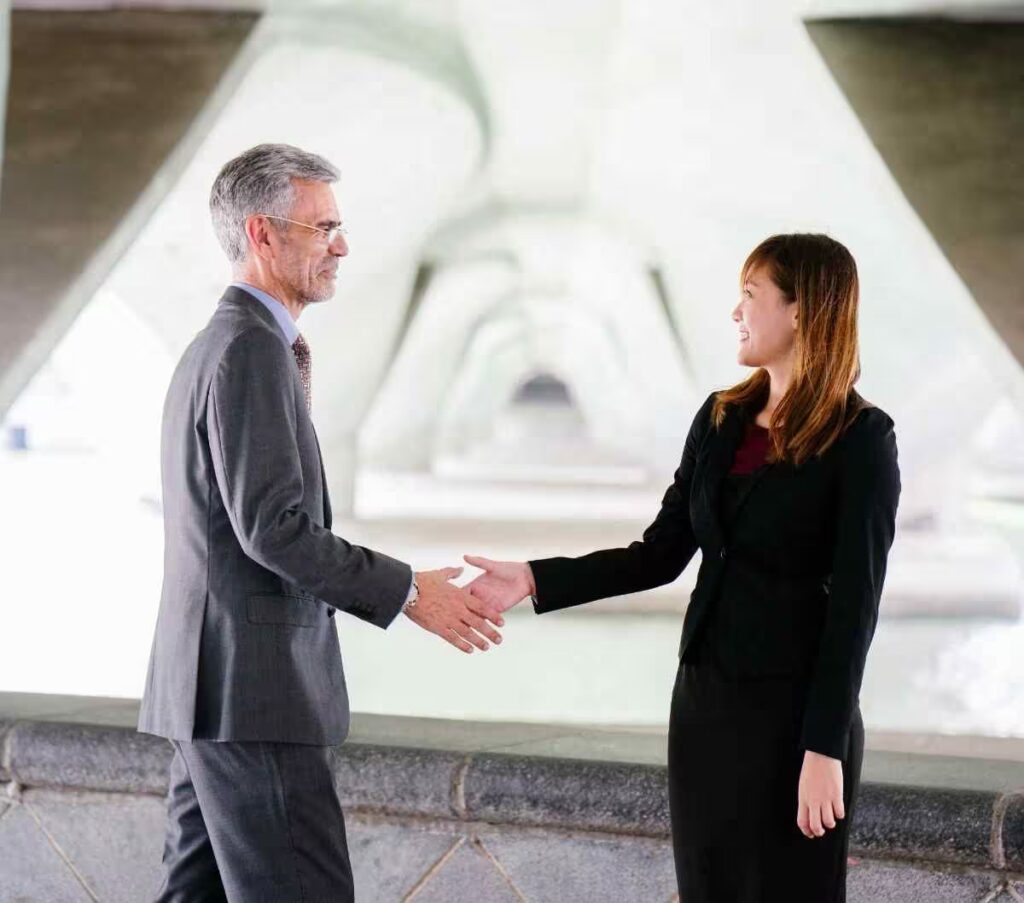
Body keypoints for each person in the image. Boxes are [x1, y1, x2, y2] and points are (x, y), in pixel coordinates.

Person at [465, 233, 901, 902]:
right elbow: (660, 554)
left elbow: (855, 607)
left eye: (750, 295)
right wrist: (533, 577)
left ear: (801, 310)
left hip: (796, 721)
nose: (736, 312)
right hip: (705, 708)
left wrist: (825, 747)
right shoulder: (721, 418)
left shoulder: (862, 438)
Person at [138, 143, 504, 903]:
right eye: (323, 227)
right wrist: (409, 592)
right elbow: (271, 527)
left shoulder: (217, 344)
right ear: (262, 233)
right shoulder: (250, 349)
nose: (342, 246)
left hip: (210, 691)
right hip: (254, 695)